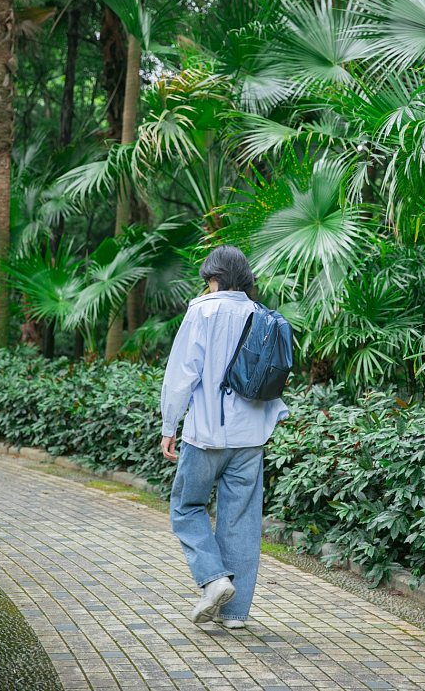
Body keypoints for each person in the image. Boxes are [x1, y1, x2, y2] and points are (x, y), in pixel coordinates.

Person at [160, 245, 289, 628]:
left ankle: (214, 580)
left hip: (205, 435)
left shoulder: (202, 310)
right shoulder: (260, 314)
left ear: (212, 277)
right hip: (250, 437)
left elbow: (182, 374)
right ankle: (235, 615)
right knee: (242, 520)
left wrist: (170, 426)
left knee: (187, 507)